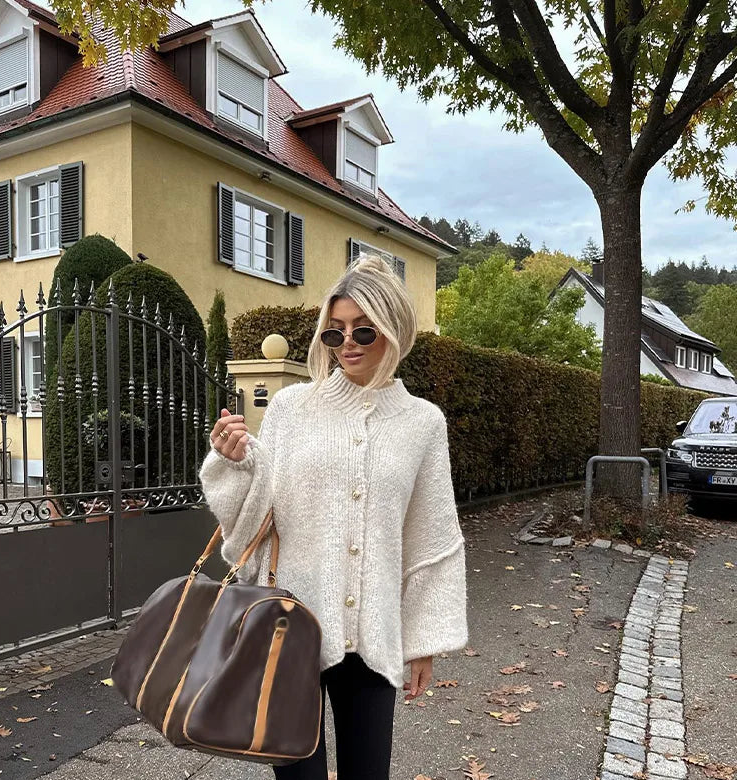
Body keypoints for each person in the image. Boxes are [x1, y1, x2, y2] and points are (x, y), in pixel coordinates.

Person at [198, 254, 468, 780]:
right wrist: (236, 465)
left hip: (373, 635)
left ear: (394, 330)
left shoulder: (423, 423)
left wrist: (424, 642)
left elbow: (431, 536)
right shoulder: (292, 408)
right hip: (285, 627)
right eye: (334, 331)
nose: (347, 343)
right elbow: (256, 517)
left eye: (363, 330)